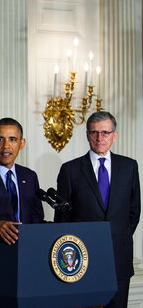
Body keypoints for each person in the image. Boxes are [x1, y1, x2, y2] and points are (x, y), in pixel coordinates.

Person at [55, 111, 140, 307]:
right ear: (87, 135)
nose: (99, 137)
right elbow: (62, 218)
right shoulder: (70, 170)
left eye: (105, 132)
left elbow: (134, 211)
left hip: (119, 259)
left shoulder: (129, 167)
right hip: (81, 262)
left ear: (114, 135)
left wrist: (119, 237)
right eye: (94, 132)